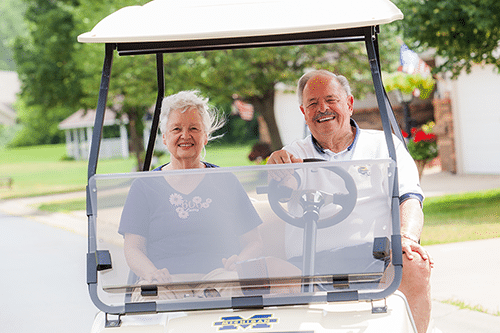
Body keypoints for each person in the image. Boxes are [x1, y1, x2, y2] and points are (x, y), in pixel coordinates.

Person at [267, 70, 434, 333]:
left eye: (331, 100)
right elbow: (286, 187)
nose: (322, 108)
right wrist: (278, 173)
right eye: (312, 103)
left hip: (374, 259)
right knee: (265, 274)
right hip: (308, 265)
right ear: (303, 111)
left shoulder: (384, 146)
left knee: (414, 263)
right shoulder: (293, 154)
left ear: (349, 104)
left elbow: (410, 198)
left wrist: (407, 237)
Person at [118, 90, 263, 298]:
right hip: (167, 281)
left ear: (205, 137)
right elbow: (133, 249)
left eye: (193, 128)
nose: (185, 135)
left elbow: (254, 241)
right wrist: (151, 273)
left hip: (218, 277)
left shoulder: (225, 181)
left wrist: (240, 262)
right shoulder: (144, 186)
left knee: (233, 288)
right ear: (165, 137)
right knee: (149, 295)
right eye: (177, 128)